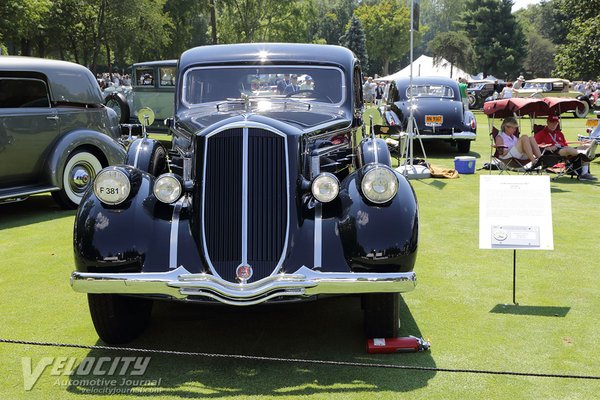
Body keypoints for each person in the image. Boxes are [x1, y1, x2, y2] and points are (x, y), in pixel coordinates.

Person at [534, 115, 597, 181]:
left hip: (565, 150)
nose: (553, 125)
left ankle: (584, 173)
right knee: (569, 150)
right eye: (552, 122)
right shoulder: (540, 134)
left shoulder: (559, 133)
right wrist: (547, 147)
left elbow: (565, 144)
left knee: (585, 146)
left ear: (557, 123)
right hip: (553, 153)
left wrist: (581, 143)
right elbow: (534, 146)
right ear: (547, 122)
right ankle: (585, 153)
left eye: (555, 123)